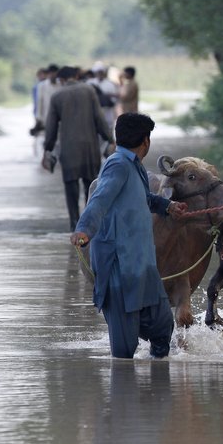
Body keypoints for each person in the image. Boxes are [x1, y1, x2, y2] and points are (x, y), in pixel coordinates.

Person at [70, 113, 187, 359]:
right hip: (119, 268)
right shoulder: (118, 164)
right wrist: (84, 228)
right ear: (145, 140)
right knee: (124, 351)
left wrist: (168, 207)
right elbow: (99, 198)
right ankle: (124, 393)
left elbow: (144, 198)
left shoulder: (135, 167)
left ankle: (156, 385)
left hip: (142, 265)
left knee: (162, 328)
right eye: (149, 138)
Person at [44, 66, 114, 230]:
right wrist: (110, 139)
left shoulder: (57, 96)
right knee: (92, 186)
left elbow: (51, 127)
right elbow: (99, 119)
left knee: (71, 189)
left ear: (61, 80)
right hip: (90, 147)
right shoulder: (89, 90)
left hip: (69, 149)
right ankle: (92, 224)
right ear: (75, 76)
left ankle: (75, 225)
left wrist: (47, 148)